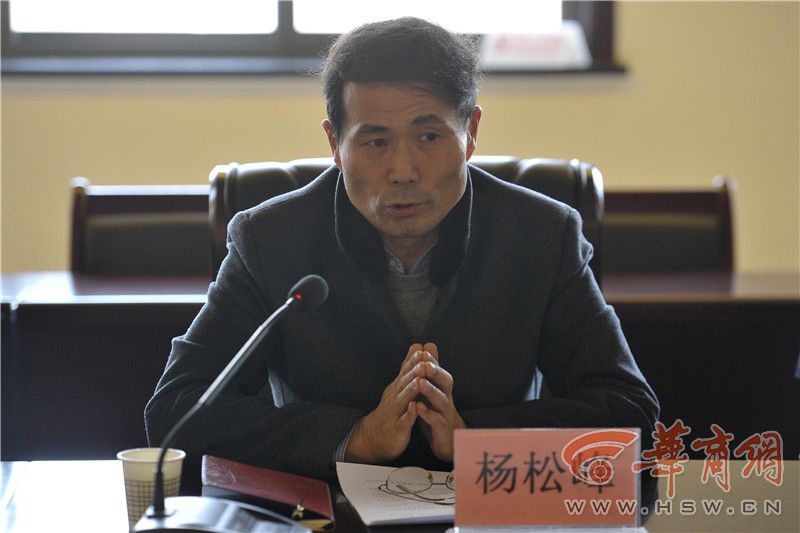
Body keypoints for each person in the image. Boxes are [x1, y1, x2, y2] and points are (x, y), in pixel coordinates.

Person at [145, 17, 659, 481]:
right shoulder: (270, 240)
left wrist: (474, 439)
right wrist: (354, 438)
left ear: (471, 132)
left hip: (491, 510)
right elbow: (175, 409)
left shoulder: (542, 235)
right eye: (376, 142)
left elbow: (629, 411)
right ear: (335, 144)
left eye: (429, 137)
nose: (403, 172)